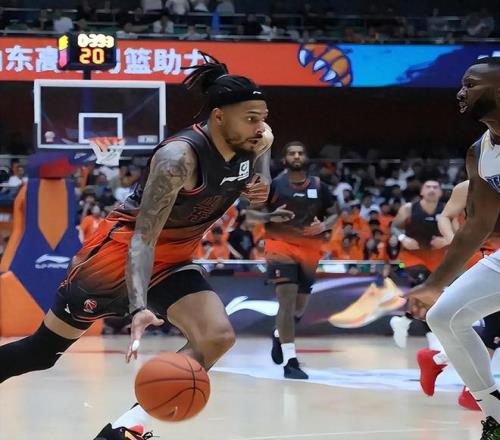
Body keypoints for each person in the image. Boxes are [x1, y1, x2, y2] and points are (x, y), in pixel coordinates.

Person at [0, 55, 278, 440]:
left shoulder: (259, 139)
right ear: (218, 117)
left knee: (216, 337)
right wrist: (138, 306)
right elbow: (143, 238)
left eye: (262, 117)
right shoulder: (178, 159)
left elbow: (258, 188)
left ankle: (124, 430)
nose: (260, 126)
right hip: (115, 259)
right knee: (41, 352)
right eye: (250, 118)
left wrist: (259, 190)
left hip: (175, 259)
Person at [407, 57, 500, 439]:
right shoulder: (480, 151)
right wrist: (434, 285)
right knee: (444, 315)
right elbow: (477, 224)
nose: (461, 93)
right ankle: (496, 415)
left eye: (471, 84)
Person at [246, 142, 337, 379]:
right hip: (280, 247)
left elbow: (336, 213)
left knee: (298, 308)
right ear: (284, 159)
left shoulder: (319, 186)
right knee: (286, 301)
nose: (296, 156)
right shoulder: (273, 185)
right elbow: (249, 216)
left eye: (300, 152)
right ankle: (291, 361)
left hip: (309, 250)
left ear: (306, 158)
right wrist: (269, 216)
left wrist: (324, 225)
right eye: (291, 153)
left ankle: (278, 334)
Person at [389, 180, 448, 350]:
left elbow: (457, 232)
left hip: (436, 259)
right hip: (412, 257)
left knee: (429, 295)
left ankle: (403, 321)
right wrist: (403, 238)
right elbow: (394, 227)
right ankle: (432, 337)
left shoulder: (447, 210)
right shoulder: (408, 208)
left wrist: (446, 240)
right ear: (421, 191)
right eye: (428, 187)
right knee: (425, 289)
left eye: (435, 187)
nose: (432, 190)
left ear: (440, 192)